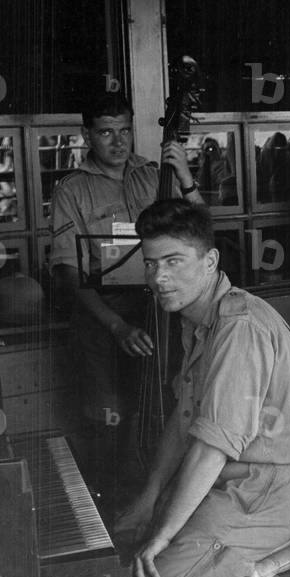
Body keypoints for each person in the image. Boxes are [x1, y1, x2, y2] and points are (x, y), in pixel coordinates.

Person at [67, 199, 290, 577]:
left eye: (174, 262)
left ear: (210, 262)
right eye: (152, 262)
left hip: (259, 499)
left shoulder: (240, 328)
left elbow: (212, 447)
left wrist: (162, 531)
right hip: (227, 487)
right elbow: (184, 422)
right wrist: (147, 499)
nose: (159, 277)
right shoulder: (198, 319)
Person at [49, 91, 204, 511]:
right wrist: (116, 326)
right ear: (87, 135)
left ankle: (164, 500)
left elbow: (199, 229)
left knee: (169, 405)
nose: (118, 143)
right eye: (105, 133)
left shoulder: (154, 175)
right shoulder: (72, 190)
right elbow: (68, 273)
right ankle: (113, 508)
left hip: (158, 308)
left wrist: (185, 178)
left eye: (124, 131)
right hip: (103, 317)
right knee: (108, 417)